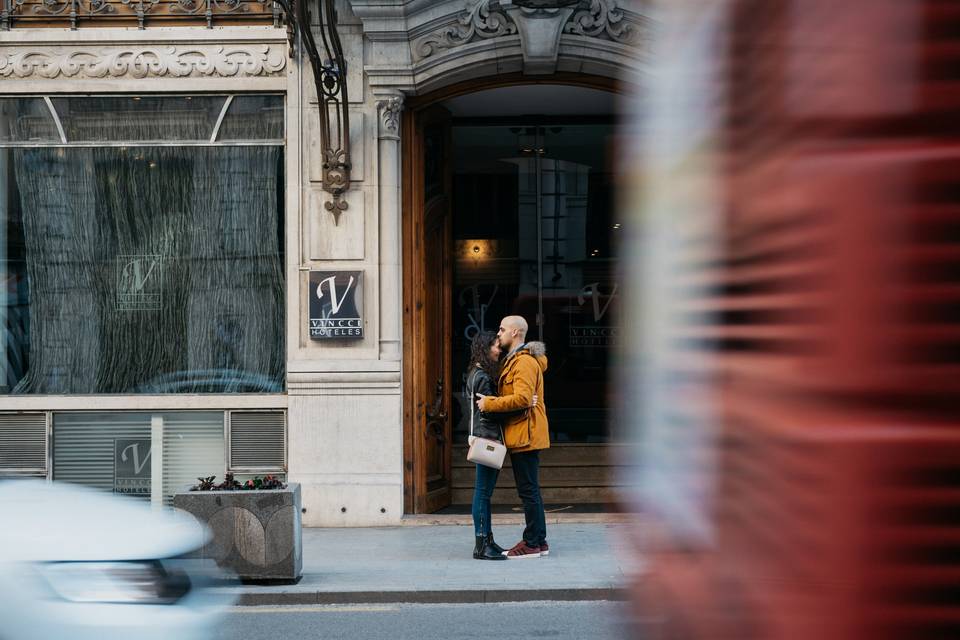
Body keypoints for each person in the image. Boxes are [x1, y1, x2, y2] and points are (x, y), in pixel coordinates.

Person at [476, 315, 550, 559]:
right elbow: (525, 397)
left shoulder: (523, 362)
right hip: (521, 431)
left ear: (516, 332)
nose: (499, 334)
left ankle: (532, 543)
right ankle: (539, 541)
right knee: (529, 489)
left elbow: (521, 398)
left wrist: (489, 403)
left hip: (525, 433)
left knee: (528, 490)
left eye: (502, 329)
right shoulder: (515, 361)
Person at [465, 331, 509, 561]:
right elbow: (489, 409)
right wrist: (521, 405)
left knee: (483, 492)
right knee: (482, 493)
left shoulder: (474, 372)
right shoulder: (482, 376)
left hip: (482, 437)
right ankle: (482, 544)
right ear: (485, 347)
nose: (499, 350)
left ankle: (487, 540)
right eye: (495, 345)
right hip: (488, 438)